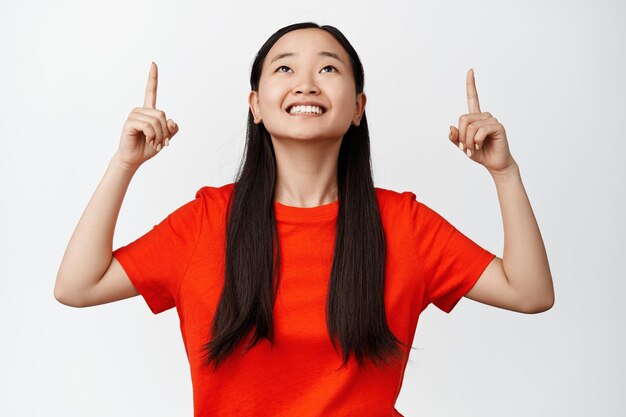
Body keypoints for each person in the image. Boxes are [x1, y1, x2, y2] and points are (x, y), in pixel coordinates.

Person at [54, 21, 554, 417]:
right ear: (256, 106)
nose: (307, 83)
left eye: (330, 69)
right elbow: (78, 285)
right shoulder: (207, 221)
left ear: (358, 108)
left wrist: (504, 172)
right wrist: (124, 164)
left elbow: (529, 293)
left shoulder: (403, 223)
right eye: (285, 69)